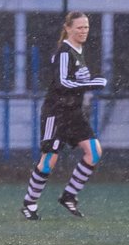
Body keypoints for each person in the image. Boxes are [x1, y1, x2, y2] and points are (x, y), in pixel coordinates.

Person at [20, 12, 107, 219]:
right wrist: (91, 84)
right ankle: (29, 203)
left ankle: (68, 196)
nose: (84, 31)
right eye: (79, 27)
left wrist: (88, 83)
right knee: (49, 159)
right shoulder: (65, 53)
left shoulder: (79, 50)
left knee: (94, 152)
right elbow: (62, 83)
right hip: (56, 112)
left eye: (86, 27)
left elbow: (74, 81)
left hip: (73, 113)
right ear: (67, 28)